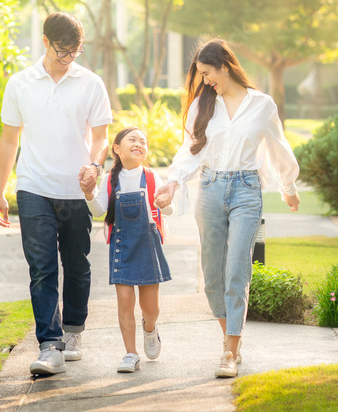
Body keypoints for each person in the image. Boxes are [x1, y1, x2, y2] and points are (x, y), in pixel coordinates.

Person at [154, 38, 300, 379]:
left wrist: (288, 188)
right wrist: (173, 181)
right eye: (201, 75)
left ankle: (230, 352)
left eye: (208, 73)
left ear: (225, 66)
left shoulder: (262, 105)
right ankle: (229, 339)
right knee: (213, 278)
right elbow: (190, 149)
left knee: (237, 271)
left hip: (247, 190)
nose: (205, 81)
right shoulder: (203, 107)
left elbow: (279, 147)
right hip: (210, 188)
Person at [0, 12, 112, 377]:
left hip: (76, 190)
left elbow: (102, 136)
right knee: (42, 268)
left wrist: (94, 166)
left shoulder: (91, 83)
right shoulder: (20, 83)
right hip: (33, 187)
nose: (68, 59)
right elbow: (9, 139)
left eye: (74, 52)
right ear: (45, 42)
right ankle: (50, 345)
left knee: (76, 265)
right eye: (62, 52)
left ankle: (74, 332)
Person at [81, 126, 171, 374]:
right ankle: (130, 353)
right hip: (121, 246)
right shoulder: (110, 179)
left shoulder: (152, 177)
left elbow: (166, 208)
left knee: (150, 308)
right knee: (124, 301)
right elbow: (99, 210)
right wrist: (88, 192)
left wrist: (165, 202)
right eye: (133, 139)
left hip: (148, 247)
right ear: (117, 149)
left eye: (144, 141)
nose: (139, 144)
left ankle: (150, 329)